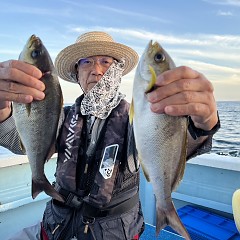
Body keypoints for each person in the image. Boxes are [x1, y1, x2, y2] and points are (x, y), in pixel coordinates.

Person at [0, 31, 220, 240]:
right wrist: (2, 111)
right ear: (77, 72)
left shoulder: (140, 119)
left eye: (105, 61)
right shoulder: (61, 116)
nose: (96, 69)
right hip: (54, 227)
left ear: (117, 70)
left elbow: (167, 143)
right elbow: (18, 142)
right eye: (87, 61)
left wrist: (202, 126)